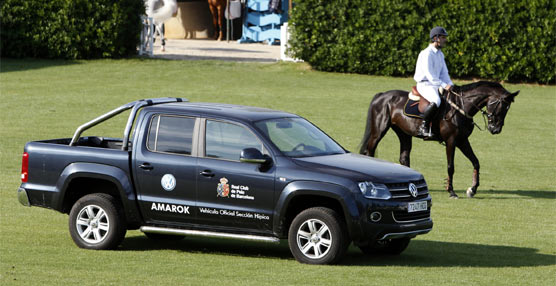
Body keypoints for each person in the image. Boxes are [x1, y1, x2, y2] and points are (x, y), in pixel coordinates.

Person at [413, 26, 453, 138]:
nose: (445, 39)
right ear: (436, 38)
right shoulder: (426, 54)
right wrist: (445, 85)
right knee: (436, 100)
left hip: (435, 84)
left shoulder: (440, 54)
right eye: (443, 37)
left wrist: (452, 85)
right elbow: (430, 76)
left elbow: (444, 73)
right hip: (425, 84)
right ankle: (423, 127)